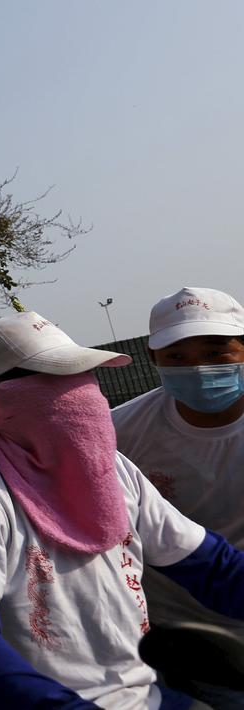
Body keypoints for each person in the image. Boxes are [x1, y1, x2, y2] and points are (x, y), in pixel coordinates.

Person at [0, 310, 244, 709]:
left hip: (144, 697)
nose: (81, 395)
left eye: (83, 377)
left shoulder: (114, 470)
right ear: (1, 403)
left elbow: (213, 568)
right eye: (54, 381)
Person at [112, 286, 244, 707]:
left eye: (217, 352)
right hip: (178, 645)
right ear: (153, 358)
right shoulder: (120, 433)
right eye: (178, 357)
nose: (199, 368)